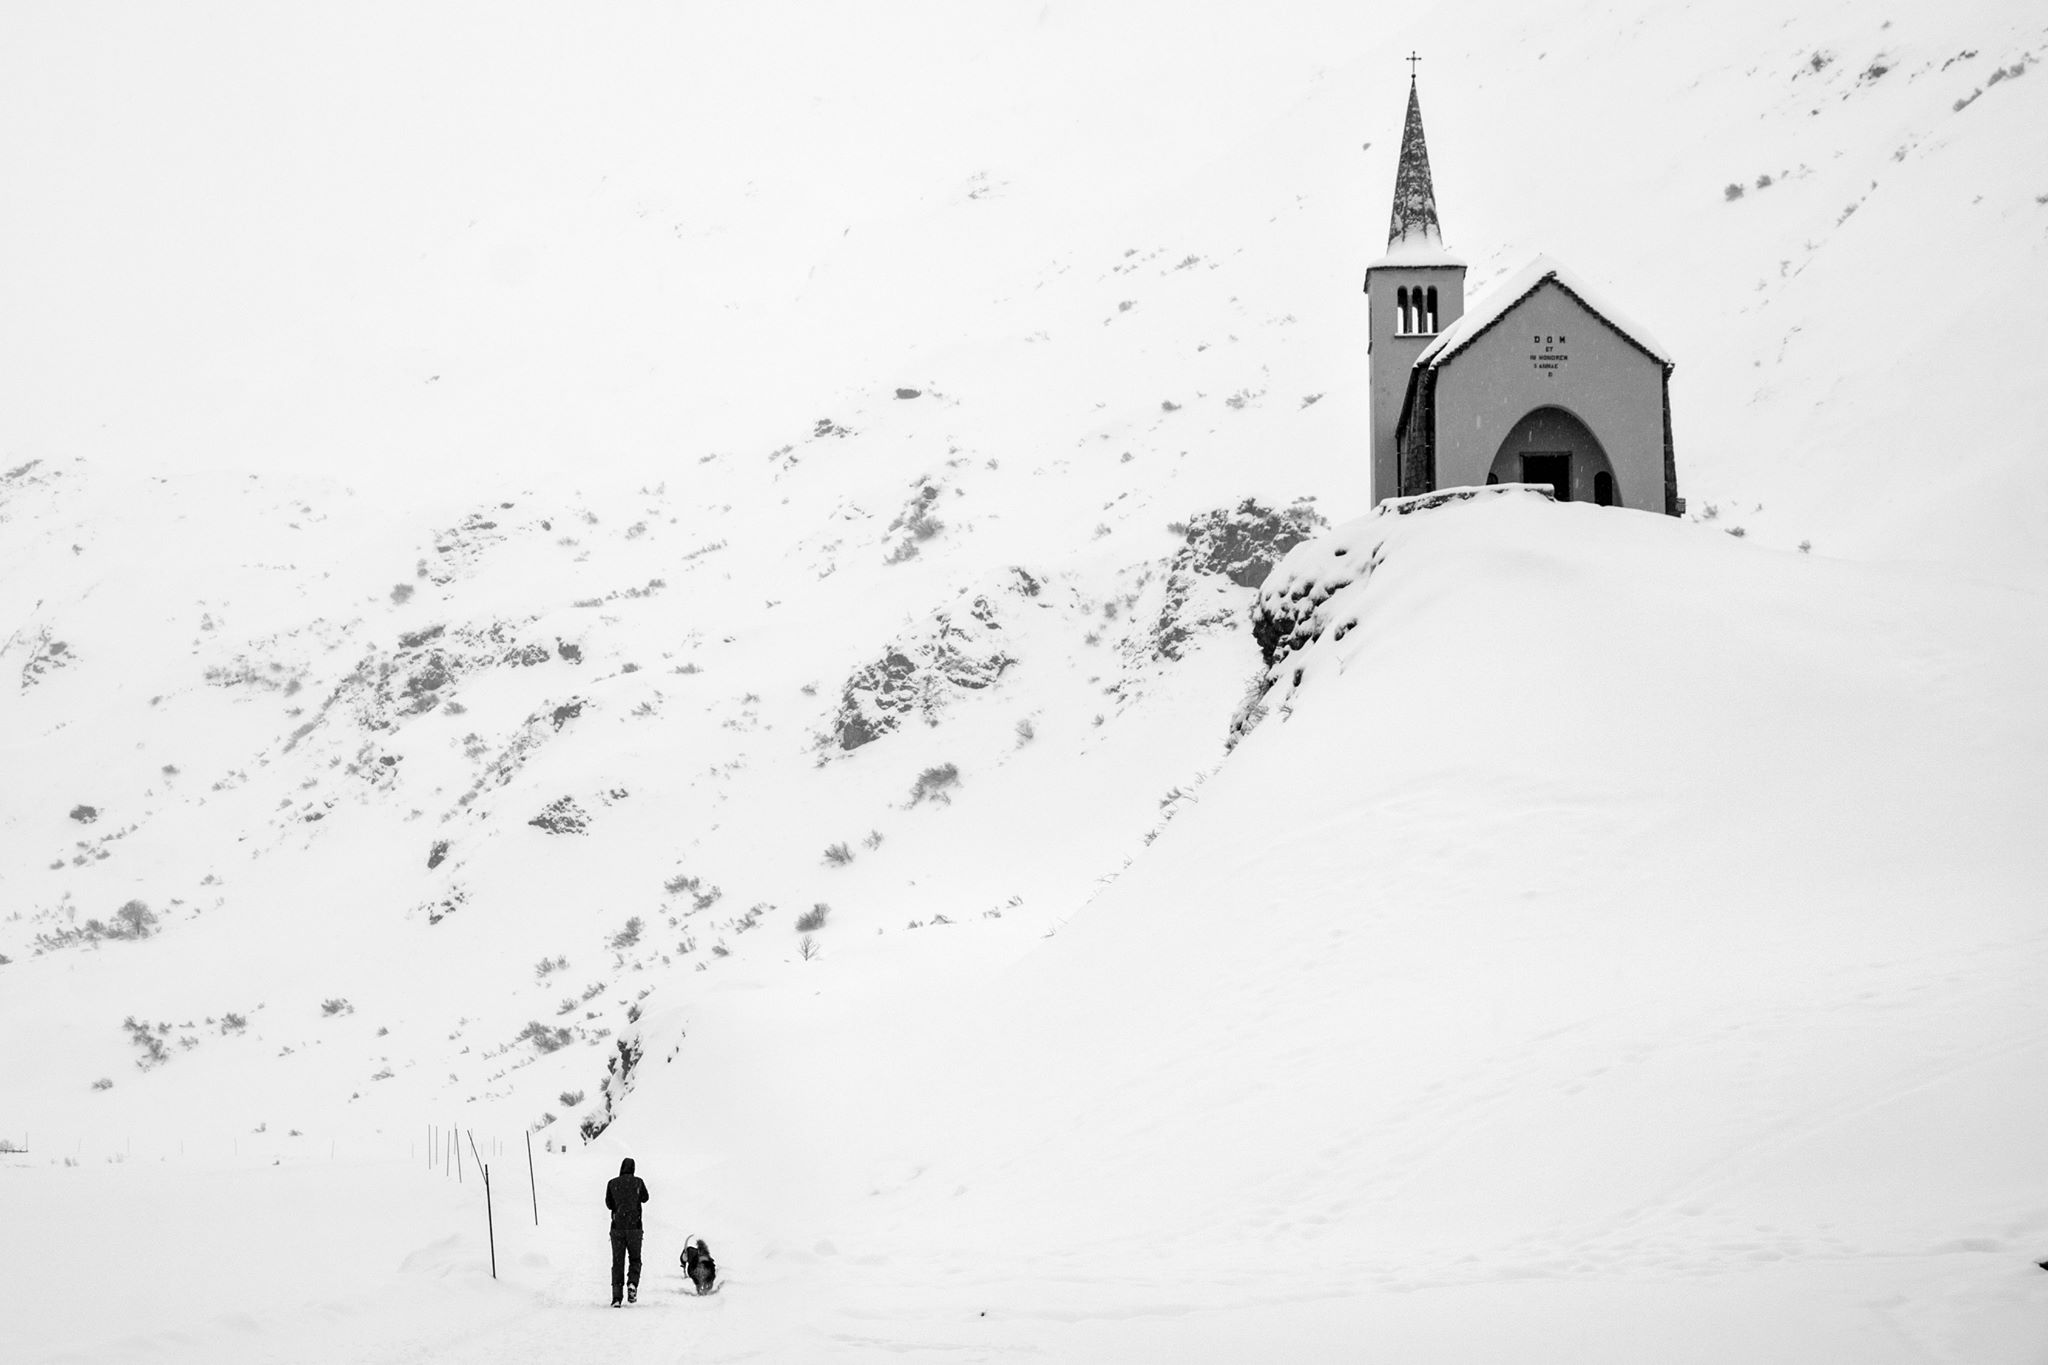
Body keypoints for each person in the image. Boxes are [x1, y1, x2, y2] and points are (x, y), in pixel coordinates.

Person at [604, 1156, 650, 1305]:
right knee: (635, 1259)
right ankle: (632, 1283)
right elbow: (645, 1198)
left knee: (618, 1262)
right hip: (635, 1228)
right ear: (633, 1169)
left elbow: (609, 1204)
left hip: (617, 1228)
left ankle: (617, 1298)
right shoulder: (638, 1182)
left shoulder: (612, 1183)